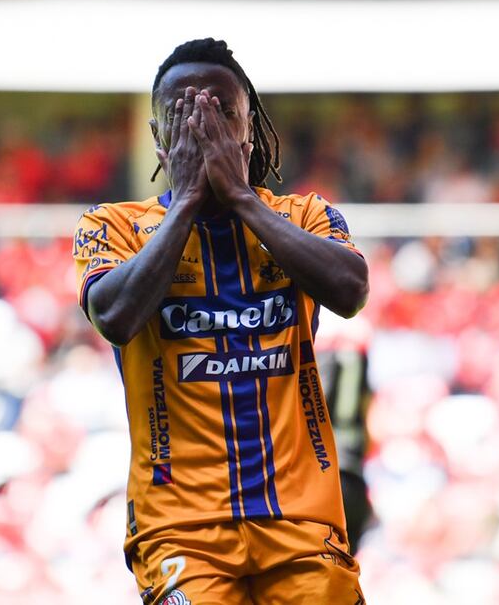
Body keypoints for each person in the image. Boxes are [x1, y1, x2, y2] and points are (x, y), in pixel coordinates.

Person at [73, 38, 369, 604]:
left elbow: (351, 289)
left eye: (221, 111)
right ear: (160, 140)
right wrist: (185, 201)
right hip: (180, 529)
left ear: (249, 131)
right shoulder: (110, 226)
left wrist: (239, 197)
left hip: (302, 523)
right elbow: (114, 315)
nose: (202, 127)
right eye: (182, 115)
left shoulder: (304, 216)